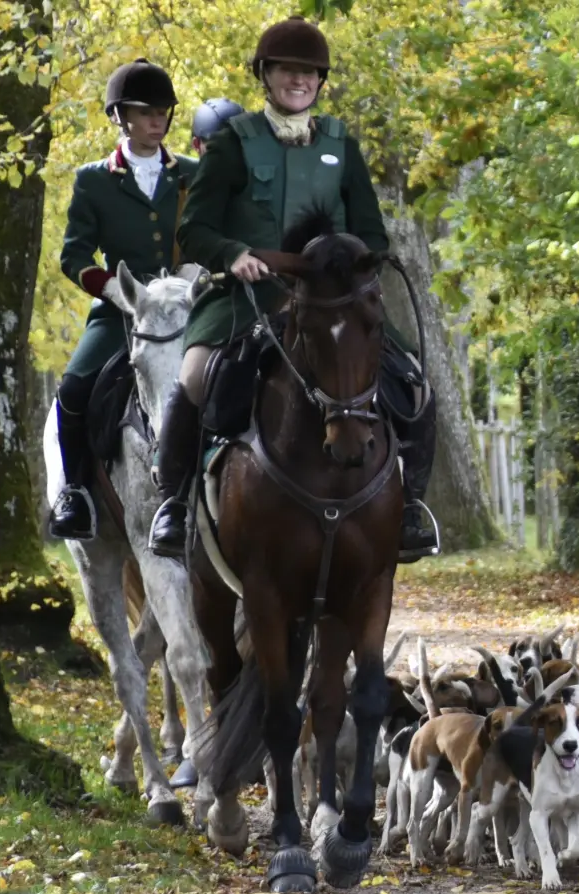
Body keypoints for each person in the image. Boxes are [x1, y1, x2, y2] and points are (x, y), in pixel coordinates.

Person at [148, 16, 439, 561]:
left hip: (331, 301)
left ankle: (413, 510)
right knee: (192, 378)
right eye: (287, 70)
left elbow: (371, 231)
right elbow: (195, 229)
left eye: (308, 73)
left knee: (415, 383)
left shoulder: (340, 144)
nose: (298, 81)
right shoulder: (234, 144)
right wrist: (233, 255)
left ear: (319, 81)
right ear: (266, 76)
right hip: (246, 296)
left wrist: (350, 262)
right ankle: (175, 504)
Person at [49, 59, 197, 541]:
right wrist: (116, 291)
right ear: (120, 117)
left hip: (186, 308)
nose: (157, 121)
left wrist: (191, 277)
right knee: (73, 390)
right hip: (122, 312)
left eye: (163, 112)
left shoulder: (192, 175)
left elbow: (208, 237)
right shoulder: (94, 180)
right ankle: (75, 493)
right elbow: (74, 255)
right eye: (146, 112)